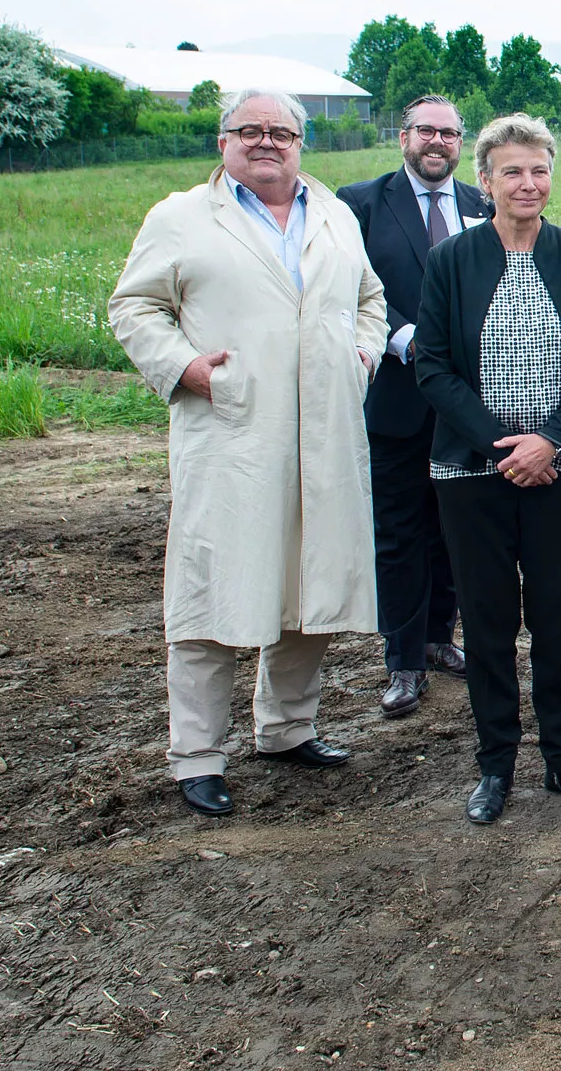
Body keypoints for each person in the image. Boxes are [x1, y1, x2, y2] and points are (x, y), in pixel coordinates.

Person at [108, 89, 387, 819]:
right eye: (250, 130)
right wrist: (188, 368)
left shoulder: (333, 213)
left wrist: (360, 355)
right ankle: (197, 754)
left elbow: (370, 296)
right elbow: (133, 306)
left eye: (282, 132)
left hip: (322, 429)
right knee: (214, 589)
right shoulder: (182, 217)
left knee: (309, 584)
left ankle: (288, 726)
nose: (267, 142)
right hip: (233, 433)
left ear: (301, 142)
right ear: (223, 140)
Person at [416, 114, 561, 824]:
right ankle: (496, 762)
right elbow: (433, 366)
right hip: (473, 474)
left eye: (538, 169)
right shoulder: (450, 261)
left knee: (558, 616)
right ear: (486, 180)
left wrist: (550, 442)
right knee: (489, 619)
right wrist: (504, 445)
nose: (527, 183)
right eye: (512, 171)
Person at [337, 95, 487, 720]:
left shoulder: (482, 206)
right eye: (426, 131)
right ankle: (401, 659)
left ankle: (439, 637)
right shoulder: (361, 204)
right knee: (398, 530)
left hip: (470, 401)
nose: (437, 142)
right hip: (397, 395)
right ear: (404, 137)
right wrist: (405, 338)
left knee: (454, 526)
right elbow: (348, 289)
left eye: (449, 134)